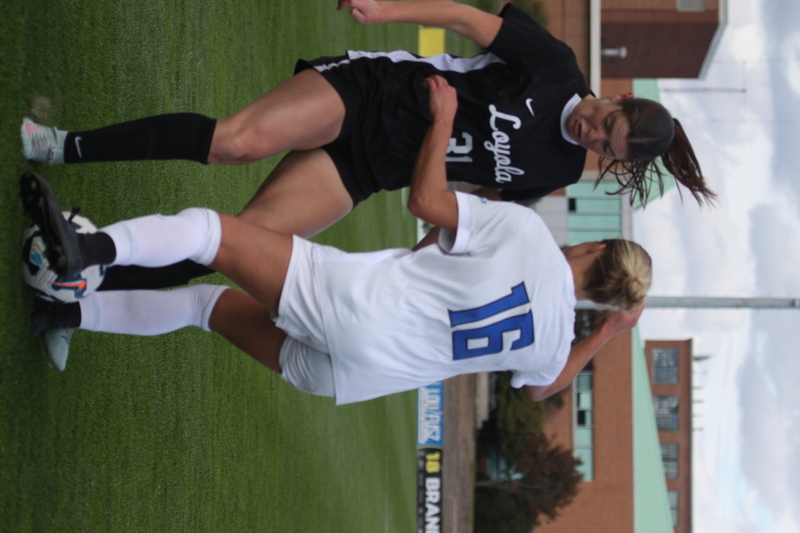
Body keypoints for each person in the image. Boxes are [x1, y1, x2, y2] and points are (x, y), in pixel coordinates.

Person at [23, 76, 651, 404]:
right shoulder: (551, 344)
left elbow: (426, 202)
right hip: (355, 377)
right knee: (204, 307)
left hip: (355, 308)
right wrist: (604, 335)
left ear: (595, 250)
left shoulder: (528, 233)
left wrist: (443, 121)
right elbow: (545, 386)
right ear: (601, 301)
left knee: (211, 231)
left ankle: (86, 254)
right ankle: (64, 310)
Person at [21, 0, 704, 292]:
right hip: (373, 93)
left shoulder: (556, 170)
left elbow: (474, 207)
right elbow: (466, 20)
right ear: (614, 97)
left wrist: (418, 259)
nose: (591, 131)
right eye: (605, 119)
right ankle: (60, 146)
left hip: (369, 168)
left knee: (237, 244)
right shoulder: (555, 65)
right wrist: (386, 8)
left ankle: (82, 285)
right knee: (236, 141)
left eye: (604, 143)